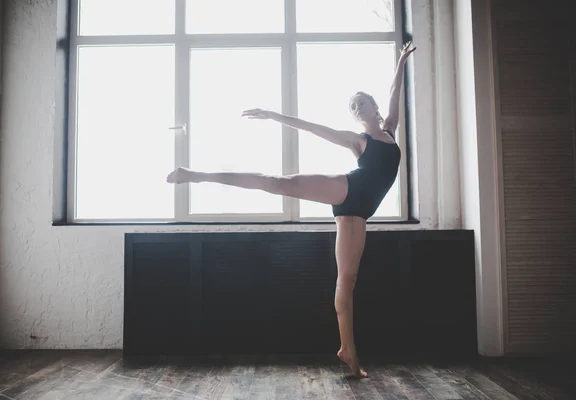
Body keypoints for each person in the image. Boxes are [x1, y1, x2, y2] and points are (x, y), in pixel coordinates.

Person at [167, 41, 416, 378]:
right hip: (348, 189)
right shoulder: (358, 140)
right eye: (353, 108)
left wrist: (401, 61)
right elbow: (314, 128)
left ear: (373, 107)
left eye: (361, 104)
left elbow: (394, 90)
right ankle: (197, 175)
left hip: (359, 213)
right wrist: (274, 116)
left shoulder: (389, 129)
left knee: (348, 279)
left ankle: (348, 351)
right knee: (279, 183)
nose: (357, 110)